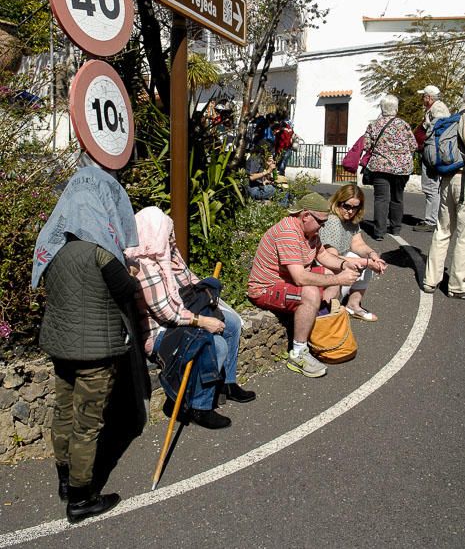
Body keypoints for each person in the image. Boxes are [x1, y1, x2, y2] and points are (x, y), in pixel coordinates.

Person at [31, 165, 139, 524]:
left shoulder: (52, 249)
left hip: (61, 346)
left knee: (63, 411)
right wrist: (132, 273)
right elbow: (125, 292)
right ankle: (80, 499)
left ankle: (64, 479)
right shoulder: (101, 253)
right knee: (87, 424)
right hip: (96, 351)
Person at [125, 207, 255, 430]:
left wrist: (205, 291)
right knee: (216, 344)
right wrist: (204, 321)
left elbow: (189, 282)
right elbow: (168, 314)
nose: (173, 236)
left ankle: (228, 384)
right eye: (168, 232)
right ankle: (199, 407)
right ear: (155, 233)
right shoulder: (144, 267)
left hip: (182, 318)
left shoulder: (166, 256)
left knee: (231, 323)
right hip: (161, 332)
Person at [247, 192, 366, 379]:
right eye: (321, 221)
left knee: (330, 273)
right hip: (266, 288)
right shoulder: (288, 233)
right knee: (310, 292)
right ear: (305, 216)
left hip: (286, 283)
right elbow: (300, 278)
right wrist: (339, 280)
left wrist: (344, 265)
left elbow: (324, 257)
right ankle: (298, 353)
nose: (323, 226)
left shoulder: (310, 230)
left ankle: (322, 322)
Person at [319, 184, 387, 321]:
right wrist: (366, 262)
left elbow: (358, 244)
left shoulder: (351, 221)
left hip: (339, 259)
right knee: (359, 264)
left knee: (364, 261)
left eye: (355, 207)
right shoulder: (332, 220)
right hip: (326, 263)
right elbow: (331, 257)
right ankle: (327, 311)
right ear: (338, 202)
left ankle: (353, 305)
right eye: (347, 206)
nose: (350, 211)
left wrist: (373, 255)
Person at [423, 88, 465, 298]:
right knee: (463, 236)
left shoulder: (454, 118)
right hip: (463, 181)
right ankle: (457, 286)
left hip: (447, 179)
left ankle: (430, 280)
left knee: (442, 230)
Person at [364, 94, 417, 241]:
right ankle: (395, 228)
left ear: (382, 108)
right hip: (402, 169)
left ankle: (379, 232)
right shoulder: (403, 124)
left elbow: (366, 145)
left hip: (380, 167)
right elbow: (413, 145)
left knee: (381, 199)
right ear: (396, 108)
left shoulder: (374, 125)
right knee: (397, 198)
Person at [414, 85, 450, 232]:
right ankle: (433, 218)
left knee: (430, 187)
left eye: (424, 96)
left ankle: (431, 221)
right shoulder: (436, 108)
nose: (423, 99)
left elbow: (438, 131)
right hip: (432, 151)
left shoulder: (438, 110)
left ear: (429, 97)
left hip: (432, 152)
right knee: (433, 187)